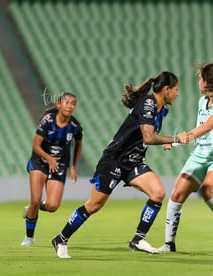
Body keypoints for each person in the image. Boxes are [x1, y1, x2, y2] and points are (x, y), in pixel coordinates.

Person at [51, 72, 188, 258]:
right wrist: (174, 138)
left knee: (158, 193)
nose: (177, 94)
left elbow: (147, 135)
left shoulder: (162, 110)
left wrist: (164, 141)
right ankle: (61, 238)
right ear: (166, 90)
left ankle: (138, 239)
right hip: (114, 160)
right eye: (176, 89)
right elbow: (148, 137)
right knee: (94, 205)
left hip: (134, 162)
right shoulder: (148, 103)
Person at [156, 63, 213, 253]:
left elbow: (209, 126)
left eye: (201, 78)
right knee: (177, 195)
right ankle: (169, 244)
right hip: (200, 155)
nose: (199, 81)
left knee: (208, 190)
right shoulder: (203, 102)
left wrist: (187, 136)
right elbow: (200, 129)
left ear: (208, 81)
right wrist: (176, 140)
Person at [21, 92, 83, 246]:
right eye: (67, 102)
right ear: (59, 104)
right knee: (35, 199)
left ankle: (32, 208)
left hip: (59, 165)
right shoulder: (47, 121)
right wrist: (49, 159)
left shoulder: (75, 126)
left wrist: (73, 166)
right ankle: (29, 237)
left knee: (52, 206)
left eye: (73, 103)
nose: (70, 105)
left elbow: (78, 144)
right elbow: (35, 146)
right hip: (40, 162)